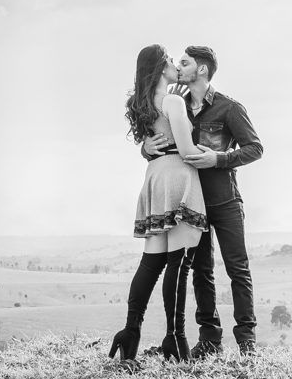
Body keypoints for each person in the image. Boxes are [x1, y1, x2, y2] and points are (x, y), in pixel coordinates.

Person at [141, 45, 263, 357]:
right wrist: (146, 148)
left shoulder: (229, 108)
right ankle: (210, 341)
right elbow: (161, 141)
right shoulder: (174, 104)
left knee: (238, 269)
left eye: (184, 63)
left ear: (202, 69)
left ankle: (247, 343)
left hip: (224, 201)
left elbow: (255, 148)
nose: (178, 68)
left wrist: (219, 159)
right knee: (201, 271)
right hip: (191, 202)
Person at [109, 44, 208, 366]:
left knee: (151, 264)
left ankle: (130, 332)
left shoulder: (144, 102)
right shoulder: (172, 101)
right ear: (160, 67)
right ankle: (175, 338)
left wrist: (146, 149)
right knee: (180, 264)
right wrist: (216, 153)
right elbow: (186, 147)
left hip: (154, 178)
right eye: (170, 60)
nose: (176, 65)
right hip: (179, 177)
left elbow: (155, 144)